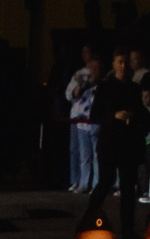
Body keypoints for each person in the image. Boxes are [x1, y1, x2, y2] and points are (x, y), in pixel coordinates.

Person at [88, 61, 148, 236]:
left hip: (128, 144)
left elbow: (142, 112)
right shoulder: (105, 87)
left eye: (125, 62)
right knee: (105, 181)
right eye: (119, 62)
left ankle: (127, 229)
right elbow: (95, 115)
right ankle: (89, 219)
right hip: (109, 142)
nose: (123, 66)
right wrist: (114, 115)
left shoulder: (134, 88)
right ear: (114, 64)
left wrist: (133, 117)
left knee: (128, 187)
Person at [65, 48, 100, 196]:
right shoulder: (81, 78)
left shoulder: (103, 83)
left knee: (96, 155)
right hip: (81, 123)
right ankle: (82, 183)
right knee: (83, 155)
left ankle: (96, 185)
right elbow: (70, 95)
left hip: (96, 123)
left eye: (96, 68)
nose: (93, 70)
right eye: (91, 67)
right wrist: (80, 87)